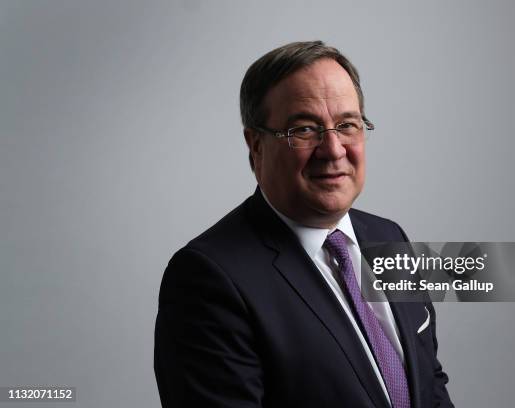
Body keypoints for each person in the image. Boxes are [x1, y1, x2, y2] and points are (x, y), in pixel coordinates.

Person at [154, 40, 453, 408]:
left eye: (347, 125)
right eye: (305, 130)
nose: (333, 149)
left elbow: (429, 384)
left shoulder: (388, 237)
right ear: (256, 145)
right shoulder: (208, 278)